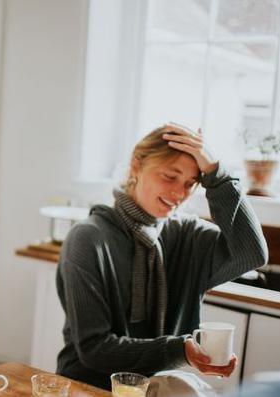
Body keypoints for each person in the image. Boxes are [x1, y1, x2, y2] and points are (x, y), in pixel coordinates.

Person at [55, 123, 268, 391]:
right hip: (86, 387)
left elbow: (252, 252)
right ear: (136, 167)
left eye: (191, 183)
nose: (179, 194)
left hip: (154, 387)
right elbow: (94, 348)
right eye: (170, 176)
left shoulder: (187, 236)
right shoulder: (88, 239)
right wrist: (179, 350)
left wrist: (217, 174)